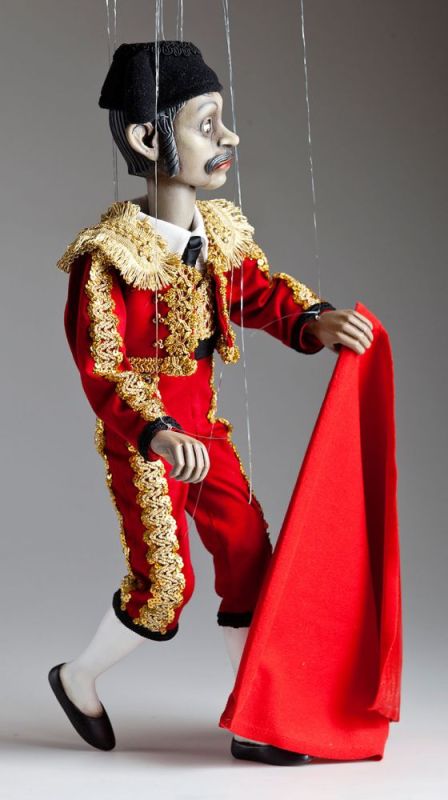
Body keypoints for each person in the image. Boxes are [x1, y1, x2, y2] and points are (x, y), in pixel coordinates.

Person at [49, 40, 374, 764]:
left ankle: (254, 714)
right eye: (207, 123)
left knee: (250, 556)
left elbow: (256, 292)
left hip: (206, 429)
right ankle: (77, 678)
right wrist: (157, 432)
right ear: (147, 139)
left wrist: (314, 320)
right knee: (166, 585)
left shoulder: (219, 234)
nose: (229, 137)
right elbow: (102, 368)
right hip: (148, 440)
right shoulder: (107, 257)